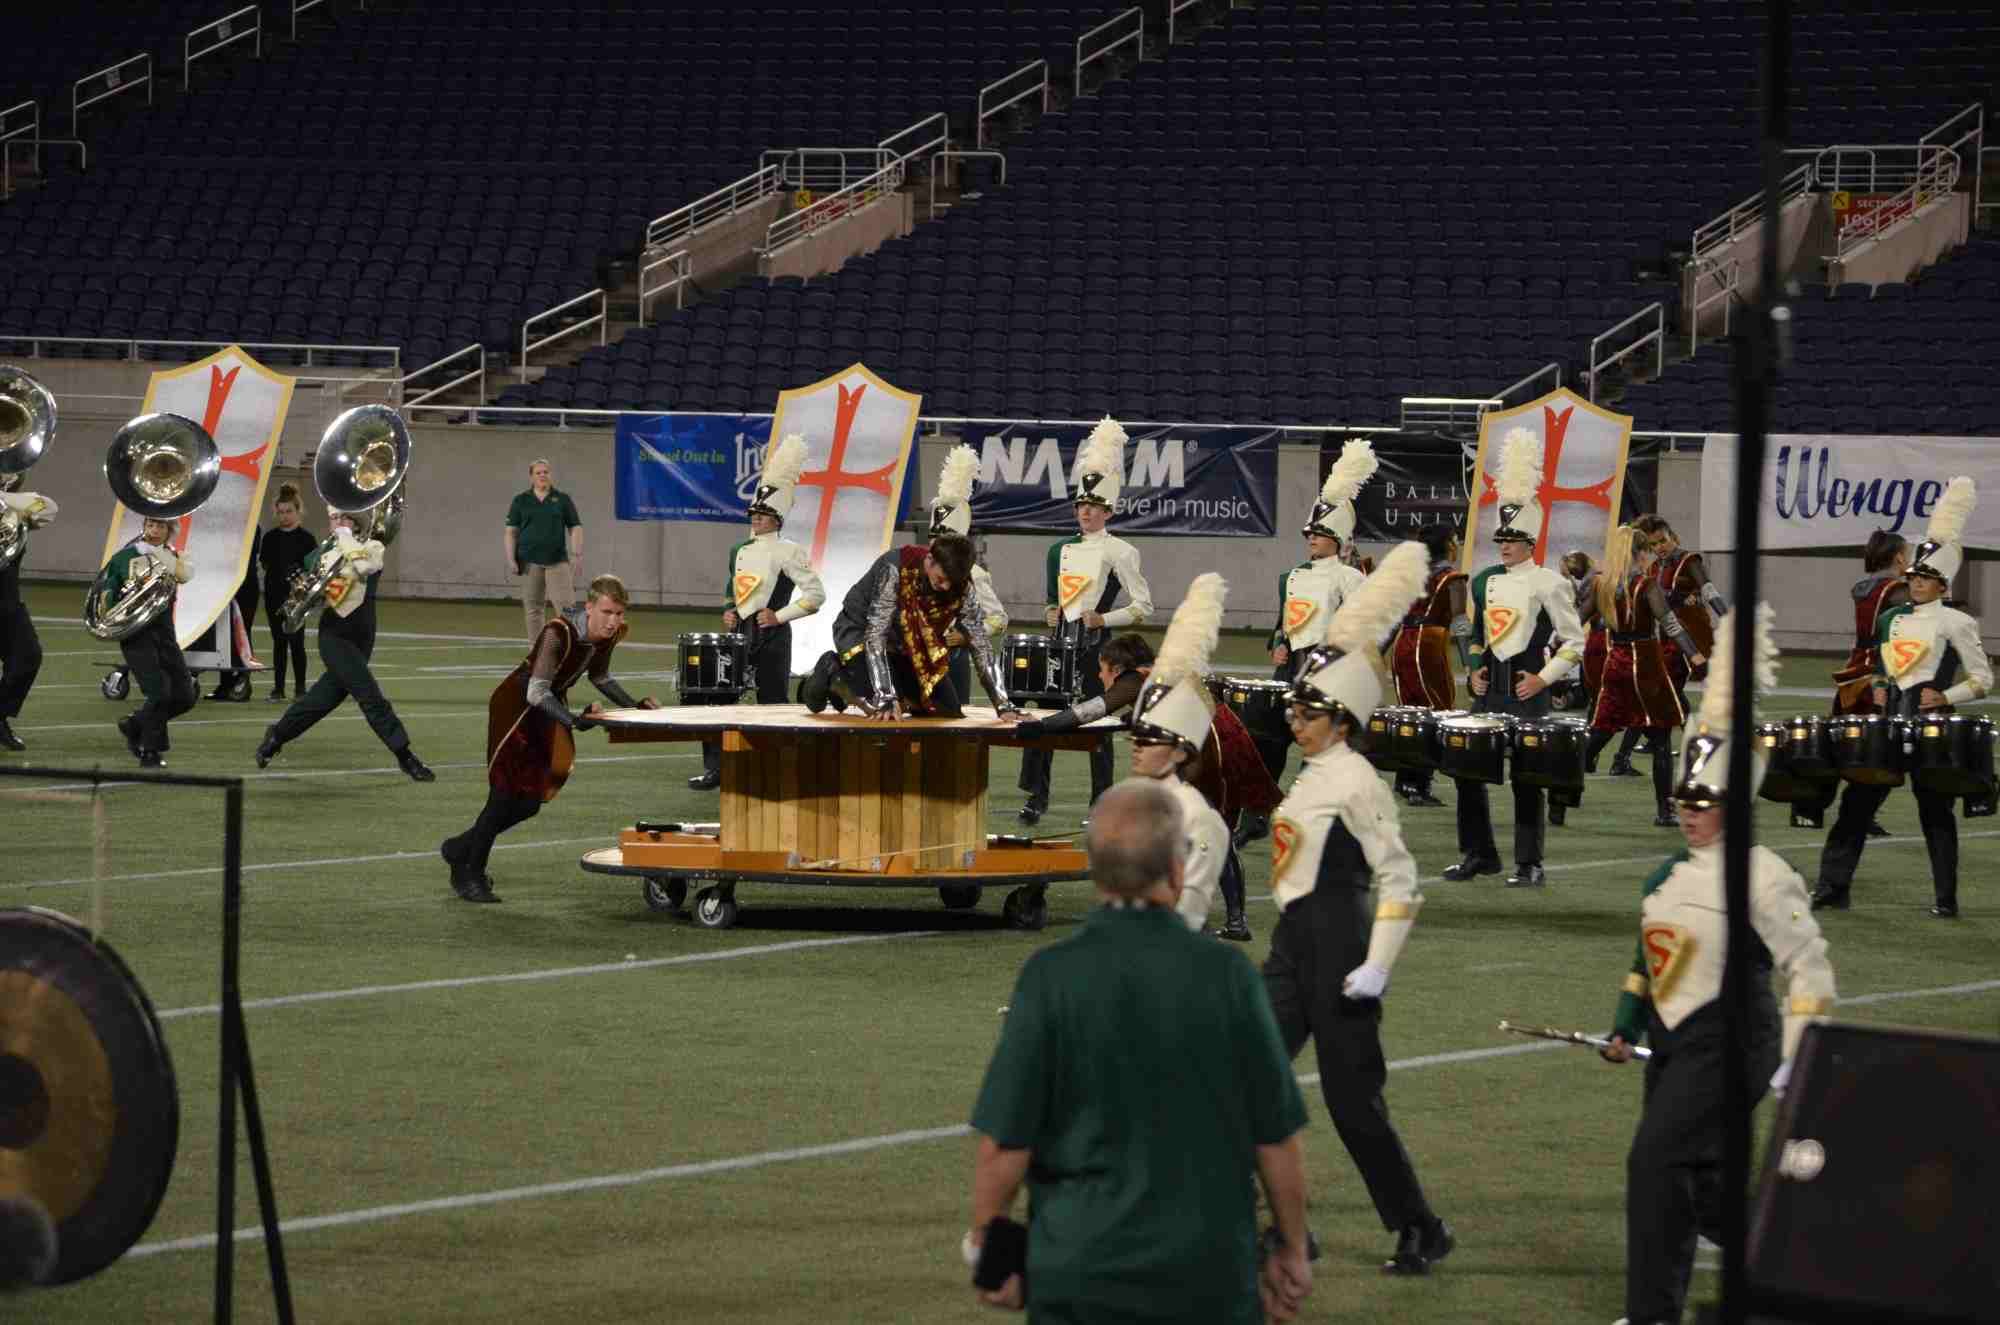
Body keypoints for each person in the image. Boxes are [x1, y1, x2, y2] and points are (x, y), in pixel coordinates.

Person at [965, 778, 1313, 1323]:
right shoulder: (1228, 976)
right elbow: (1275, 1138)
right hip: (1208, 1277)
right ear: (1176, 870)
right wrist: (1291, 1247)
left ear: (1096, 868)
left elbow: (1005, 1144)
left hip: (1079, 1274)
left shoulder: (1050, 977)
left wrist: (989, 1249)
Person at [1601, 603, 1836, 1325]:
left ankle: (1651, 1314)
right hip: (1674, 1041)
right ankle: (1785, 1270)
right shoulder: (1668, 876)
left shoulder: (1763, 875)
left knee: (1654, 1163)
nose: (1688, 810)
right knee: (1702, 1182)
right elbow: (1648, 961)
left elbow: (1810, 970)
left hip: (1735, 1039)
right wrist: (1625, 1025)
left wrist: (1797, 1059)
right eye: (1683, 798)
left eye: (1702, 800)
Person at [1266, 540, 1454, 1275]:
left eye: (1310, 712)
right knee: (1247, 1076)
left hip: (1341, 944)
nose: (1297, 720)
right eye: (1297, 708)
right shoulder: (1311, 774)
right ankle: (1285, 1227)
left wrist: (1377, 965)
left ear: (1343, 720)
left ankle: (1420, 1225)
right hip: (1290, 944)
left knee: (1352, 1104)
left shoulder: (1357, 781)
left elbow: (1401, 879)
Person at [1809, 478, 1989, 918]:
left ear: (1943, 584)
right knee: (1856, 804)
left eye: (1926, 578)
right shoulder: (1890, 616)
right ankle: (1832, 888)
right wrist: (1879, 684)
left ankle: (1945, 899)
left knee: (1936, 812)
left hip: (1933, 727)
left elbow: (1983, 679)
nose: (1917, 583)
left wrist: (1944, 695)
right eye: (1915, 576)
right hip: (1888, 723)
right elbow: (1885, 665)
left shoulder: (1957, 622)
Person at [442, 574, 657, 903]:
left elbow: (600, 676)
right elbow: (535, 691)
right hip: (516, 709)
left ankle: (460, 848)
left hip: (546, 708)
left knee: (529, 803)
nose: (613, 621)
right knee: (502, 796)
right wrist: (572, 720)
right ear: (589, 607)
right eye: (607, 612)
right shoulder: (558, 632)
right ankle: (470, 873)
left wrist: (634, 707)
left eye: (619, 613)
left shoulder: (606, 636)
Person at [1444, 429, 1585, 888]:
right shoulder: (1484, 580)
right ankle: (1478, 854)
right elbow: (1480, 637)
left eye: (1514, 537)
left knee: (1528, 779)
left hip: (1528, 693)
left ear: (1531, 542)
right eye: (1502, 536)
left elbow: (1574, 642)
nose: (1504, 544)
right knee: (1467, 772)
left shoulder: (1549, 582)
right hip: (1489, 694)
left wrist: (1543, 679)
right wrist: (1474, 672)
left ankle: (1530, 864)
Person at [1017, 417, 1153, 825]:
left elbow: (1143, 606)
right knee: (1045, 719)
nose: (1086, 512)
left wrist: (1102, 617)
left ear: (1108, 510)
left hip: (1098, 650)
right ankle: (1036, 797)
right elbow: (1052, 599)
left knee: (1099, 723)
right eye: (1081, 505)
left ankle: (1101, 803)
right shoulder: (1057, 550)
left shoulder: (1121, 551)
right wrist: (1049, 612)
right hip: (1059, 646)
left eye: (1094, 506)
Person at [256, 506, 434, 781]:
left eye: (343, 517)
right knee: (369, 695)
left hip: (363, 633)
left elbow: (364, 566)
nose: (337, 522)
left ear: (355, 521)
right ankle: (405, 755)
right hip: (335, 634)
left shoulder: (373, 546)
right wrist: (302, 588)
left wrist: (345, 537)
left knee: (323, 699)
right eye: (333, 518)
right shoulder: (325, 555)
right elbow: (319, 600)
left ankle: (277, 736)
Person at [689, 434, 824, 791]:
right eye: (755, 514)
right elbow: (732, 585)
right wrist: (728, 609)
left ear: (777, 518)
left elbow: (816, 595)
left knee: (773, 705)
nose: (757, 519)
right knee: (717, 698)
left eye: (763, 515)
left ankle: (777, 773)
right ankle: (716, 769)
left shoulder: (789, 550)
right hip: (738, 635)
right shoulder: (739, 549)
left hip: (773, 636)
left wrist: (779, 616)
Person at [1251, 438, 1374, 823]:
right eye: (1309, 533)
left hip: (1326, 675)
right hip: (1288, 672)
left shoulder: (1351, 578)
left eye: (1318, 533)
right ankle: (1256, 816)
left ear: (1337, 538)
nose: (1311, 538)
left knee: (1317, 754)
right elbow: (1284, 623)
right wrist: (1278, 644)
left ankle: (1303, 819)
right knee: (1267, 744)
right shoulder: (1290, 577)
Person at [800, 533, 1023, 721]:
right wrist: (886, 695)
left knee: (946, 711)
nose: (946, 587)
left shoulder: (963, 587)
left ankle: (879, 689)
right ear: (929, 560)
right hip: (861, 632)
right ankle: (833, 671)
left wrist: (1002, 703)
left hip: (909, 644)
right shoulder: (895, 569)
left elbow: (980, 644)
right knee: (884, 709)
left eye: (952, 582)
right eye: (941, 578)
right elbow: (876, 634)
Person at [1123, 573, 1235, 932]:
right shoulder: (1133, 801)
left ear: (1179, 753)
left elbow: (1189, 911)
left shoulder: (1197, 817)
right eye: (1137, 737)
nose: (1138, 746)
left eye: (1150, 740)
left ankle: (1237, 916)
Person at [1584, 526, 1705, 829]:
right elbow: (1671, 624)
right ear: (1641, 553)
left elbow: (1575, 620)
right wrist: (1695, 654)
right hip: (1647, 664)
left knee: (1600, 732)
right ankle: (1665, 811)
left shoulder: (1601, 584)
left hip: (1615, 662)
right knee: (1661, 738)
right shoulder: (1646, 585)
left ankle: (1561, 794)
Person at [1789, 529, 1907, 832]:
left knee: (1840, 743)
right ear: (1898, 557)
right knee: (1879, 749)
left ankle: (1809, 807)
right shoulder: (1898, 589)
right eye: (1906, 554)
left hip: (1854, 669)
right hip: (1878, 674)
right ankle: (1857, 813)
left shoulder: (1862, 587)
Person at [100, 517, 197, 768]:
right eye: (150, 525)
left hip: (165, 635)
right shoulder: (124, 557)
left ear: (170, 530)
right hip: (136, 635)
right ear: (143, 526)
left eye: (161, 526)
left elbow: (185, 575)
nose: (154, 530)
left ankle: (135, 724)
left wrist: (159, 553)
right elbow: (107, 593)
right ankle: (149, 750)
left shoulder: (174, 557)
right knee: (159, 692)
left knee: (185, 696)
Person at [1388, 523, 1471, 808]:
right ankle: (1419, 784)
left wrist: (1378, 651)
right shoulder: (1453, 578)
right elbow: (1460, 623)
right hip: (1428, 645)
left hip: (1403, 643)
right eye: (1455, 539)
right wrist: (1470, 664)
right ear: (1448, 545)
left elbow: (1394, 618)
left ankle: (1405, 779)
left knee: (1409, 712)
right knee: (1435, 711)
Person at [0, 475, 56, 752]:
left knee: (28, 657)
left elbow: (49, 509)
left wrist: (4, 499)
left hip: (7, 603)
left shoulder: (13, 509)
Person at [504, 457, 582, 641]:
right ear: (531, 476)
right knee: (534, 609)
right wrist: (511, 559)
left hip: (557, 560)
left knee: (568, 608)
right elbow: (510, 532)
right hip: (529, 562)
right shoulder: (521, 500)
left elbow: (575, 527)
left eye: (546, 472)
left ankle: (575, 647)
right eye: (538, 472)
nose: (542, 475)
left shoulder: (562, 499)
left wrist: (576, 555)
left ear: (550, 475)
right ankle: (537, 649)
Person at [258, 481, 317, 702]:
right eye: (281, 512)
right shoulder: (270, 537)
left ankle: (300, 689)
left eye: (288, 511)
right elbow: (265, 564)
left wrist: (299, 581)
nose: (284, 516)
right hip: (273, 596)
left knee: (297, 643)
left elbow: (313, 569)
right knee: (279, 642)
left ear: (297, 510)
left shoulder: (307, 539)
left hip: (297, 598)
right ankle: (278, 689)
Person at [206, 521, 262, 702]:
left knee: (242, 630)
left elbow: (242, 556)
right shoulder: (223, 525)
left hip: (245, 585)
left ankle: (242, 677)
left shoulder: (252, 525)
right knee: (224, 633)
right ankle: (225, 683)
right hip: (225, 582)